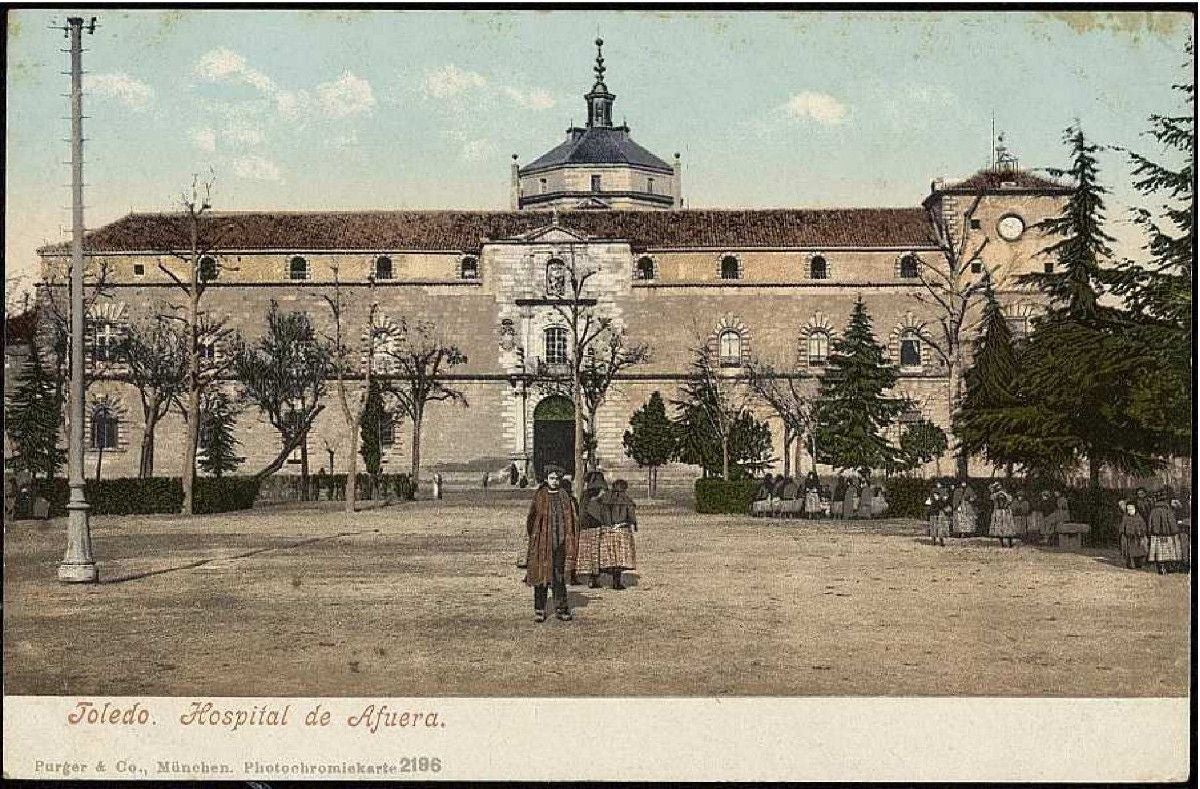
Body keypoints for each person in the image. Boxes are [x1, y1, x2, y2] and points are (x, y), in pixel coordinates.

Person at [523, 464, 578, 622]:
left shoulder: (564, 495)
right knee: (541, 576)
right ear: (546, 479)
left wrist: (568, 539)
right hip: (542, 543)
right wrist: (535, 537)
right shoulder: (540, 495)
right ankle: (539, 610)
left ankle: (561, 609)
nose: (554, 481)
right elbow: (531, 518)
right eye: (551, 478)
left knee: (558, 577)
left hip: (560, 543)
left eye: (557, 479)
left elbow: (571, 518)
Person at [599, 478, 638, 589]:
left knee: (610, 556)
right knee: (620, 558)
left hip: (608, 530)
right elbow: (631, 516)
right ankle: (616, 582)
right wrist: (631, 524)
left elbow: (600, 513)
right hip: (622, 530)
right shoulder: (627, 500)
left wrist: (607, 525)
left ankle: (605, 578)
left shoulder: (606, 499)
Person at [575, 471, 609, 588]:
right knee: (597, 553)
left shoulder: (585, 494)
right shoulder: (600, 495)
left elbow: (581, 512)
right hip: (596, 527)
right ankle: (594, 578)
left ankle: (591, 578)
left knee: (589, 553)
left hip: (585, 528)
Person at [1146, 487, 1183, 574]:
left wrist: (1150, 532)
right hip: (1168, 534)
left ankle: (1161, 568)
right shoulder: (1168, 510)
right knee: (1168, 551)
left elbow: (1150, 523)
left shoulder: (1153, 510)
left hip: (1157, 534)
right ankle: (1167, 567)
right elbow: (1172, 523)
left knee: (1159, 551)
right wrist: (1175, 531)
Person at [1116, 499, 1148, 570]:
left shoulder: (1139, 517)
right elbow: (1122, 526)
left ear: (1135, 509)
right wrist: (1122, 533)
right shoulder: (1125, 517)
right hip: (1128, 538)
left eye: (1131, 509)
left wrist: (1142, 532)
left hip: (1137, 538)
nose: (1130, 511)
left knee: (1139, 551)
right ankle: (1130, 564)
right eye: (1128, 509)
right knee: (1129, 552)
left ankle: (1139, 563)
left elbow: (1143, 526)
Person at [988, 481, 1017, 547]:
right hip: (998, 512)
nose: (999, 488)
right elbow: (992, 498)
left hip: (1006, 511)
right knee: (999, 527)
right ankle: (1002, 544)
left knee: (1008, 527)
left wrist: (1004, 494)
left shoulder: (1006, 494)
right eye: (997, 486)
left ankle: (1010, 543)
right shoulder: (995, 495)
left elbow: (1009, 500)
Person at [926, 480, 950, 546]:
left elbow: (945, 500)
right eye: (938, 484)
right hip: (935, 510)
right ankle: (934, 541)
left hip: (939, 511)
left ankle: (940, 541)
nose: (938, 485)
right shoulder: (934, 491)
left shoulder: (943, 491)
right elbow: (930, 501)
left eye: (939, 484)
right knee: (935, 526)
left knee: (940, 526)